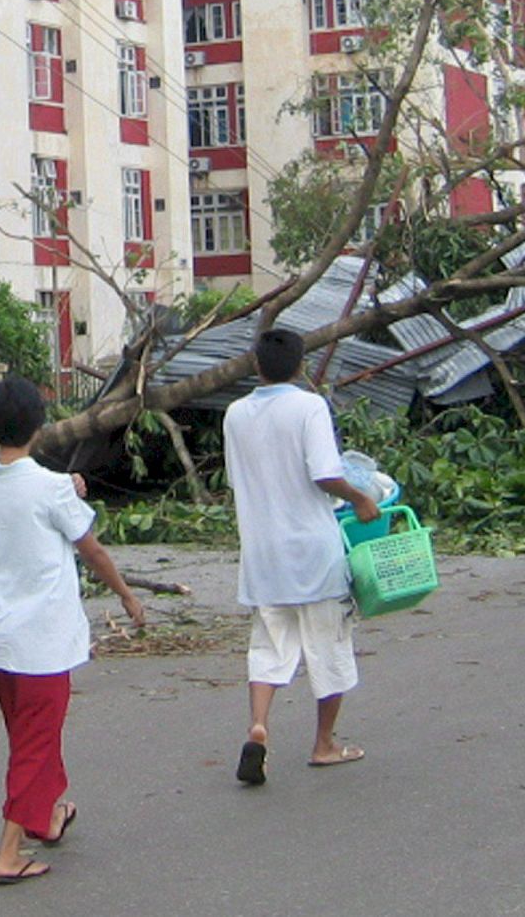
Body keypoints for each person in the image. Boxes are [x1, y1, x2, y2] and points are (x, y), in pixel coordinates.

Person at [0, 375, 146, 884]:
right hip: (41, 639)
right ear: (40, 426)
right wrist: (127, 595)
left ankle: (46, 814)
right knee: (35, 743)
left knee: (28, 734)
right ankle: (8, 850)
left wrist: (68, 488)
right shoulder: (51, 488)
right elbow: (93, 550)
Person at [223, 328, 380, 786]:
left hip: (262, 553)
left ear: (257, 366)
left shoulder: (235, 415)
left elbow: (237, 480)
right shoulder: (309, 406)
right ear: (300, 367)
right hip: (313, 551)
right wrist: (360, 497)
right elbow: (326, 473)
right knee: (328, 647)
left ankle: (259, 726)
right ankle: (324, 743)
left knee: (268, 646)